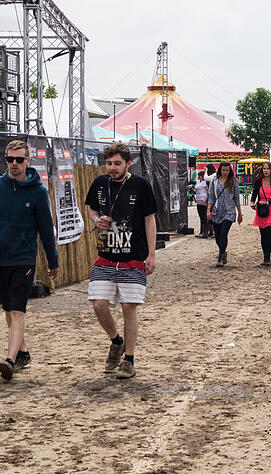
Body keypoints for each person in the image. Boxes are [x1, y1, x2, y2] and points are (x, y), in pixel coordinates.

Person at [0, 139, 59, 381]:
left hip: (24, 258)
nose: (14, 163)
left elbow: (46, 229)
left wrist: (53, 261)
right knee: (8, 308)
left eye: (19, 159)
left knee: (17, 308)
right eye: (9, 159)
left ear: (27, 160)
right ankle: (22, 352)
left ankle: (10, 359)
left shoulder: (38, 192)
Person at [85, 142, 158, 379]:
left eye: (117, 163)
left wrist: (151, 254)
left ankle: (129, 359)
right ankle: (116, 341)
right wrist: (96, 220)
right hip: (106, 256)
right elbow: (91, 209)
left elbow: (149, 219)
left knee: (128, 307)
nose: (112, 168)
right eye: (109, 163)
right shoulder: (99, 184)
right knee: (98, 304)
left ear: (128, 163)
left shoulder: (141, 185)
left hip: (133, 257)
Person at [207, 161, 243, 266]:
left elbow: (236, 198)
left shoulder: (233, 181)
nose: (225, 172)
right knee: (218, 236)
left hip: (229, 211)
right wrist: (208, 210)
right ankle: (223, 251)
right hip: (216, 211)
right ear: (220, 170)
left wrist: (240, 213)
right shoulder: (214, 180)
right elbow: (211, 196)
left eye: (227, 170)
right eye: (223, 170)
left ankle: (221, 255)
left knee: (223, 233)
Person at [250, 161, 271, 267]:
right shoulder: (258, 181)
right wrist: (252, 202)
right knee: (263, 234)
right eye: (264, 168)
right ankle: (265, 255)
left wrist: (268, 202)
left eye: (268, 169)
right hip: (262, 210)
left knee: (268, 232)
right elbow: (255, 193)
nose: (266, 171)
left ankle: (268, 256)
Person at [194, 170, 209, 238]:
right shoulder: (198, 182)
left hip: (204, 200)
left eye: (200, 176)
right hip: (198, 200)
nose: (199, 177)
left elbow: (207, 189)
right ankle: (201, 231)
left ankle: (205, 232)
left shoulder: (205, 182)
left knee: (204, 217)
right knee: (201, 217)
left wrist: (207, 197)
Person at [205, 163, 217, 238]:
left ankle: (214, 231)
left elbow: (206, 178)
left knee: (213, 214)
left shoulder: (214, 175)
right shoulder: (214, 175)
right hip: (212, 195)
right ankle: (211, 231)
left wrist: (205, 171)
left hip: (214, 197)